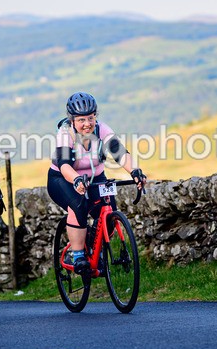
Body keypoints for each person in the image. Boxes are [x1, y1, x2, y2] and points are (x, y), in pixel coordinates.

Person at [47, 92, 146, 274]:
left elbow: (120, 153)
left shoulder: (102, 130)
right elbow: (64, 165)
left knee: (109, 212)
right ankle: (77, 255)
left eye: (91, 118)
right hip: (63, 178)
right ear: (73, 121)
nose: (87, 124)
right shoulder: (65, 134)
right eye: (81, 120)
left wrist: (134, 171)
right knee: (78, 205)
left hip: (95, 178)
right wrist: (76, 179)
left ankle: (94, 249)